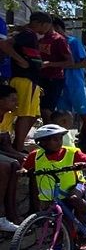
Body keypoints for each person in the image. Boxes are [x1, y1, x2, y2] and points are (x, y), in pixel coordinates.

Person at [22, 124, 86, 250]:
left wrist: (85, 164)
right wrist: (23, 171)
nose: (55, 142)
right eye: (50, 140)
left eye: (58, 139)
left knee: (73, 198)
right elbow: (25, 166)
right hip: (55, 194)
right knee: (64, 222)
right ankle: (70, 246)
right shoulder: (35, 155)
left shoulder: (71, 152)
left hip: (76, 184)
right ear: (41, 143)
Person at [0, 12, 52, 151]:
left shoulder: (30, 36)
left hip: (32, 80)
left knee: (33, 114)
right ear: (40, 23)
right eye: (47, 25)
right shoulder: (27, 34)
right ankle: (18, 146)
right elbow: (5, 45)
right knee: (24, 114)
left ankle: (17, 143)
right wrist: (20, 60)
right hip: (24, 79)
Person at [52, 18, 86, 151]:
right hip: (59, 84)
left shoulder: (73, 42)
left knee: (84, 113)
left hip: (75, 83)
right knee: (63, 116)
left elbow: (85, 62)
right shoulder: (53, 44)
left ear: (58, 28)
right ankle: (65, 144)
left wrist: (68, 66)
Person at [38, 18, 74, 124]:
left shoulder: (59, 39)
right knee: (38, 109)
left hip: (54, 79)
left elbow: (70, 62)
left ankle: (51, 135)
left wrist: (50, 64)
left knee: (46, 109)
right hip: (40, 77)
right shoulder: (40, 38)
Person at [0, 84, 24, 231]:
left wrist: (22, 156)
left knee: (18, 164)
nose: (16, 103)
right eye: (13, 100)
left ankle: (11, 211)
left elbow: (6, 144)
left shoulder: (9, 117)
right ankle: (3, 213)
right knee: (7, 166)